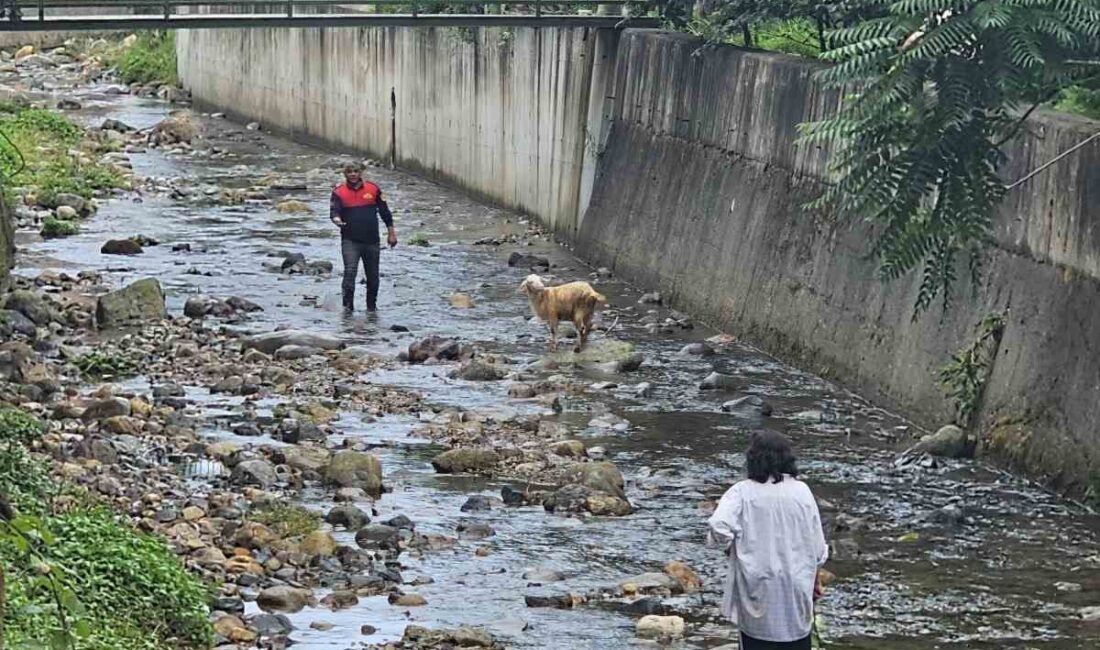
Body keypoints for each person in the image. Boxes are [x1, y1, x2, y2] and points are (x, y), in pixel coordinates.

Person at [707, 430, 829, 650]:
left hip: (757, 586)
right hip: (795, 585)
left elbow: (719, 526)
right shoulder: (802, 492)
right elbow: (818, 548)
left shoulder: (741, 492)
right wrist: (816, 577)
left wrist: (732, 548)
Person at [330, 161, 397, 312]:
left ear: (361, 173)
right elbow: (334, 212)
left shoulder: (373, 189)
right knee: (350, 272)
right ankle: (347, 308)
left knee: (373, 276)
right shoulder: (339, 192)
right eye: (349, 172)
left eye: (356, 171)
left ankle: (371, 308)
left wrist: (391, 233)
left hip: (371, 240)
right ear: (345, 174)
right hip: (350, 240)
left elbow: (385, 212)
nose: (353, 174)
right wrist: (337, 221)